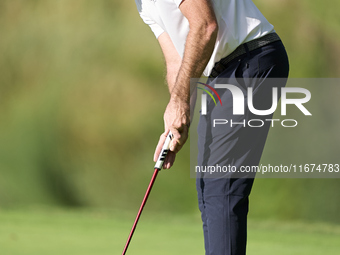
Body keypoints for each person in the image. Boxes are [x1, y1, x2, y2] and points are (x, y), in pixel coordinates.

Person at [134, 0, 289, 254]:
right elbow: (177, 61)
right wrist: (177, 121)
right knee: (207, 186)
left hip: (251, 58)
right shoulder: (143, 5)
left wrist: (180, 100)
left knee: (221, 188)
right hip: (226, 71)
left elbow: (206, 27)